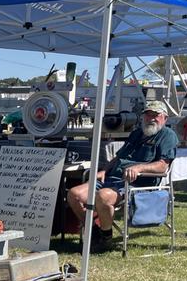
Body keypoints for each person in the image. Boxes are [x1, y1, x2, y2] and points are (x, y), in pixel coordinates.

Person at [66, 100, 178, 250]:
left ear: (165, 118)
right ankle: (95, 230)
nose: (151, 118)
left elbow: (163, 166)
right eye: (147, 115)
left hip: (136, 184)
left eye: (155, 115)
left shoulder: (168, 136)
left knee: (103, 196)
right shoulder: (137, 133)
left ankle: (105, 238)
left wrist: (139, 168)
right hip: (113, 177)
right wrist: (104, 170)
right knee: (74, 194)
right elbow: (118, 158)